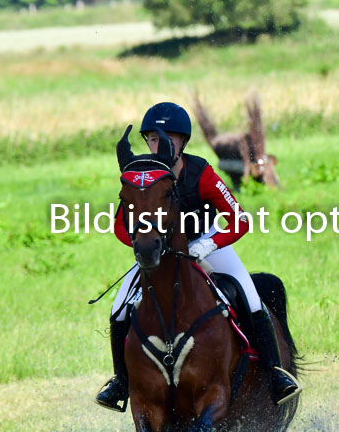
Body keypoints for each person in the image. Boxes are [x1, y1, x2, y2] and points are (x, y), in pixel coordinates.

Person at [95, 101, 301, 412]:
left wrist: (209, 245)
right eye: (151, 138)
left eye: (168, 137)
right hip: (159, 252)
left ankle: (275, 374)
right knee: (118, 308)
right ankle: (120, 383)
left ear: (183, 142)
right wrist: (143, 244)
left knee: (251, 296)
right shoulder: (143, 178)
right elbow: (119, 224)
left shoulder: (201, 173)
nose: (159, 143)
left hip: (206, 242)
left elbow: (240, 219)